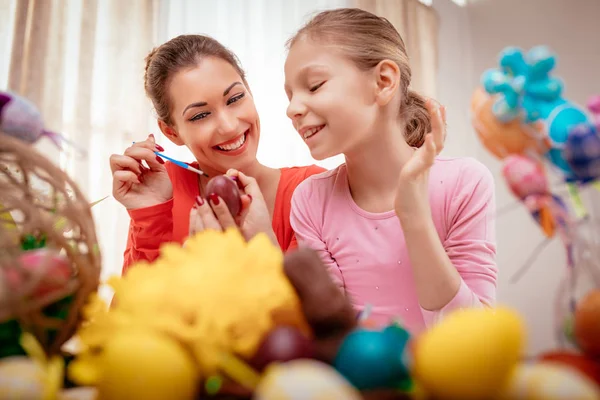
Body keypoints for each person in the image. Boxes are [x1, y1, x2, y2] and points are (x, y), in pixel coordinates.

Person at [284, 8, 497, 334]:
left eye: (313, 86)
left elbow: (477, 337)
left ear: (383, 82)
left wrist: (413, 216)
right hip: (361, 383)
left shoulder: (465, 183)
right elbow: (333, 335)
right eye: (290, 95)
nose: (292, 108)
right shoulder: (311, 201)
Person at [109, 34, 325, 274]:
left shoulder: (312, 190)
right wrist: (150, 220)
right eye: (200, 115)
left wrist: (262, 253)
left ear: (250, 92)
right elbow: (131, 310)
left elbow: (317, 310)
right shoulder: (163, 193)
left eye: (235, 98)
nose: (229, 126)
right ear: (171, 132)